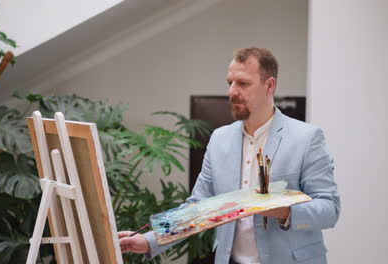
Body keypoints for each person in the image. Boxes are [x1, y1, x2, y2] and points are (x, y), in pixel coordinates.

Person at [118, 47, 340, 264]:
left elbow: (330, 209)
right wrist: (148, 241)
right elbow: (199, 206)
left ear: (269, 85)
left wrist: (283, 211)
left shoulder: (307, 137)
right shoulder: (219, 139)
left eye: (243, 83)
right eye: (230, 83)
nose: (232, 92)